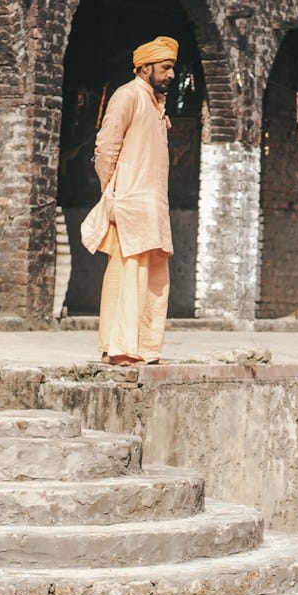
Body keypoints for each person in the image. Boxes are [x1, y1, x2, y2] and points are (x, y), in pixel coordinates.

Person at [87, 37, 177, 365]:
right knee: (129, 275)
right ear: (144, 66)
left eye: (172, 69)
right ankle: (121, 349)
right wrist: (111, 192)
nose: (170, 75)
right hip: (130, 202)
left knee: (154, 279)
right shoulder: (127, 96)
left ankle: (146, 349)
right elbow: (105, 147)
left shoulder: (156, 104)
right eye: (165, 68)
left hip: (153, 206)